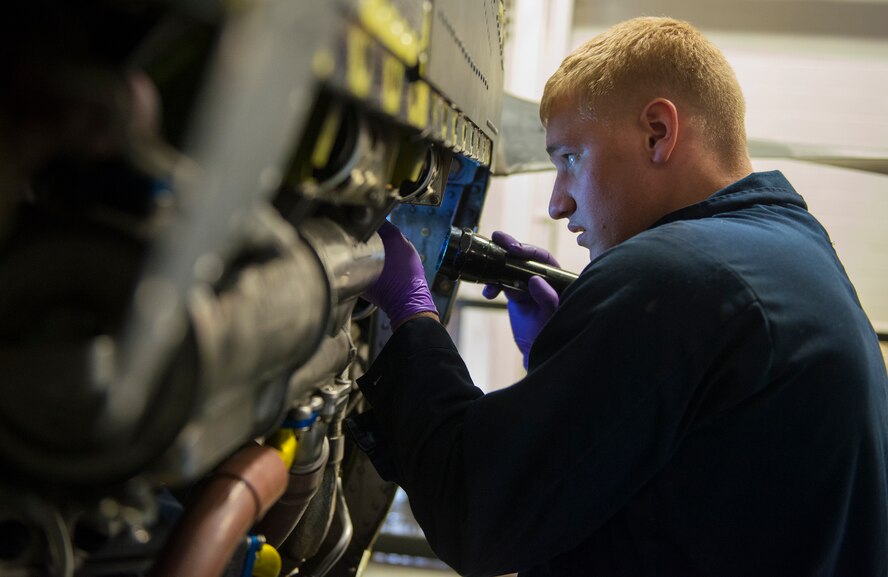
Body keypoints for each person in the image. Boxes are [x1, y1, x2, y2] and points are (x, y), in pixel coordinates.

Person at [348, 17, 888, 577]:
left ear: (658, 131)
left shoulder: (676, 275)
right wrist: (576, 360)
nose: (558, 204)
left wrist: (412, 315)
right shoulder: (794, 251)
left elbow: (475, 512)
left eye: (569, 159)